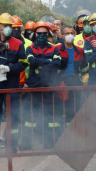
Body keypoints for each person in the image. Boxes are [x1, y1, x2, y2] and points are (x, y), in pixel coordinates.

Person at [23, 20, 61, 150]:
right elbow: (31, 61)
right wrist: (48, 61)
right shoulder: (30, 48)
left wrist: (40, 64)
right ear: (35, 34)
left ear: (49, 33)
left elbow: (57, 64)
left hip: (50, 84)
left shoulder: (54, 48)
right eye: (39, 33)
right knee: (31, 115)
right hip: (34, 85)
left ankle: (50, 142)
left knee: (50, 115)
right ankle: (28, 142)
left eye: (44, 33)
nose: (42, 36)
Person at [0, 13, 27, 152]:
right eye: (4, 25)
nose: (7, 28)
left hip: (12, 84)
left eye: (9, 26)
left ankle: (13, 145)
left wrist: (9, 68)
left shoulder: (18, 43)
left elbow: (23, 64)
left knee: (13, 114)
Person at [58, 25, 88, 123]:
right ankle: (63, 133)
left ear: (75, 34)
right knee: (62, 110)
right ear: (62, 36)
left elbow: (84, 67)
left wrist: (84, 79)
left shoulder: (80, 50)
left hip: (76, 82)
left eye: (72, 33)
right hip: (61, 83)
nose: (70, 35)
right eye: (67, 33)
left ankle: (75, 133)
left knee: (76, 108)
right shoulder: (57, 49)